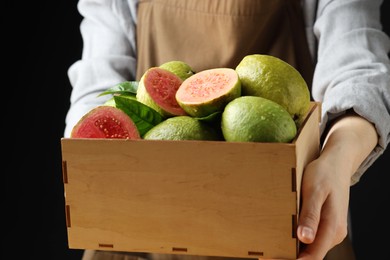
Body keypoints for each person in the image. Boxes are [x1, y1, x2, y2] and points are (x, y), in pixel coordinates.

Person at [64, 0, 390, 259]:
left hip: (290, 234)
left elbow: (357, 72)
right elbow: (99, 89)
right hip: (135, 238)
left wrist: (337, 159)